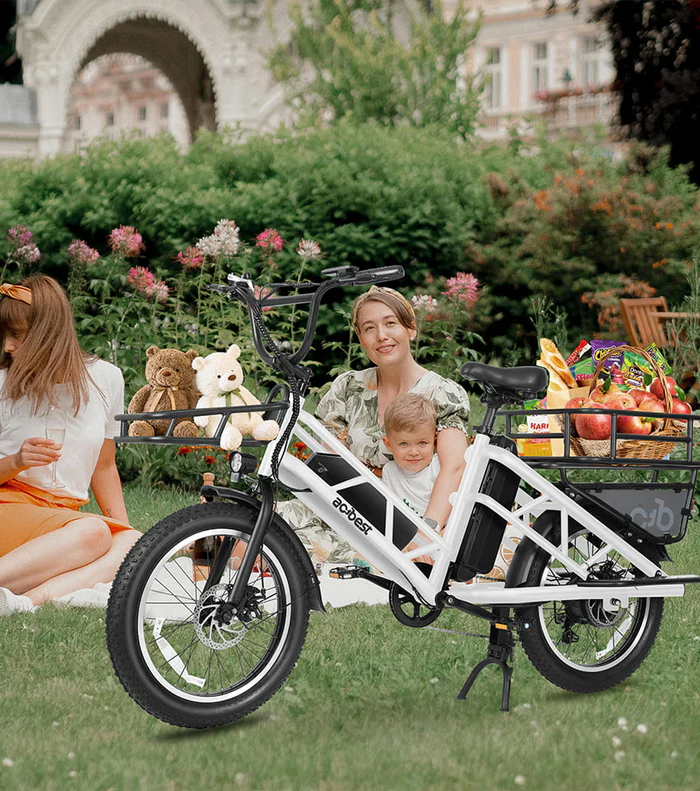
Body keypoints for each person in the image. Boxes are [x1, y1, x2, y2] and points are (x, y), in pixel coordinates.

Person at [283, 285, 470, 565]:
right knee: (264, 523)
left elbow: (454, 468)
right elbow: (329, 462)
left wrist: (426, 535)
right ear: (360, 338)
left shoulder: (442, 393)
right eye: (369, 328)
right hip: (351, 508)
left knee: (290, 546)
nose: (381, 336)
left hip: (418, 515)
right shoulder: (349, 387)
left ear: (411, 329)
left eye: (390, 323)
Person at [0, 276, 141, 616]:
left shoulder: (107, 378)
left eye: (16, 334)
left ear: (48, 331)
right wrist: (16, 460)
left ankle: (25, 603)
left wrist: (122, 527)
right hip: (10, 505)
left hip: (62, 522)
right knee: (92, 532)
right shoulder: (2, 383)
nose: (7, 346)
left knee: (136, 545)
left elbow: (104, 465)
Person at [381, 393, 440, 521]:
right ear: (389, 445)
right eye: (403, 444)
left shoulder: (437, 468)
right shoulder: (390, 472)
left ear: (434, 443)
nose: (413, 452)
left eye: (422, 443)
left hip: (439, 535)